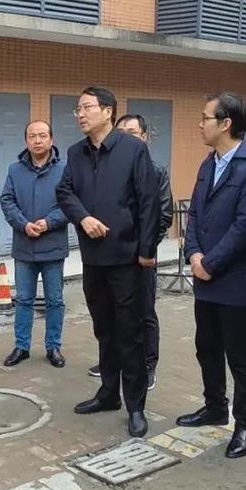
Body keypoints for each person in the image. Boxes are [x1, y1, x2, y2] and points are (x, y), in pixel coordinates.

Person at [56, 87, 160, 438]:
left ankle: (136, 406)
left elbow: (149, 201)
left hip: (127, 258)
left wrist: (147, 250)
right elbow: (65, 191)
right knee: (104, 328)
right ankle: (108, 394)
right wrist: (83, 217)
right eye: (77, 108)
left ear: (108, 111)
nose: (80, 114)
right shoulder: (76, 153)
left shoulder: (133, 149)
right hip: (93, 259)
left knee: (129, 332)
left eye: (86, 107)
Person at [177, 93, 246, 459]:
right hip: (206, 281)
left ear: (226, 123)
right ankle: (214, 406)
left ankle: (245, 425)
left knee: (241, 357)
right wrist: (193, 253)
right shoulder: (208, 164)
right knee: (207, 348)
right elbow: (194, 215)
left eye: (205, 118)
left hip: (236, 284)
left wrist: (209, 263)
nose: (200, 124)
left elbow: (245, 228)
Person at [88, 114, 173, 391]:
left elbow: (163, 215)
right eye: (121, 132)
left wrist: (144, 247)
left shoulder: (155, 170)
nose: (125, 137)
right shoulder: (108, 166)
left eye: (132, 132)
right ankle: (112, 363)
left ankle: (148, 364)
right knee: (111, 311)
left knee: (144, 311)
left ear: (144, 137)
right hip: (112, 255)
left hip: (141, 257)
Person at [0, 120, 69, 368]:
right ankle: (22, 346)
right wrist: (23, 224)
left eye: (42, 135)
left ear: (51, 139)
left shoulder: (65, 169)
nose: (37, 140)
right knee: (23, 300)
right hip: (24, 246)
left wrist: (49, 222)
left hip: (53, 246)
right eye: (32, 136)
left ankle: (53, 347)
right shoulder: (15, 170)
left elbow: (71, 203)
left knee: (55, 300)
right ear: (26, 141)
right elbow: (7, 200)